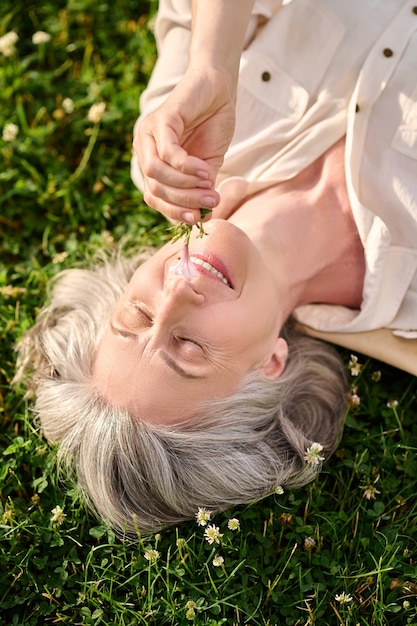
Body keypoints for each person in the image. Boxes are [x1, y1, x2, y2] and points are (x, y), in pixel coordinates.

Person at [15, 0, 417, 535]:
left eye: (137, 314)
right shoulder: (407, 301)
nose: (177, 293)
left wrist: (211, 64)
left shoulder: (174, 142)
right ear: (269, 367)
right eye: (188, 347)